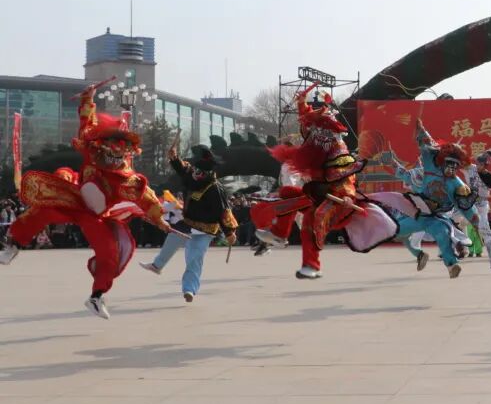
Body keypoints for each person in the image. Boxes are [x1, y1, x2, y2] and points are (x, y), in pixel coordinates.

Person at [0, 80, 171, 319]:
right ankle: (14, 245)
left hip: (97, 216)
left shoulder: (129, 179)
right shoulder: (92, 152)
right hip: (75, 199)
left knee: (109, 253)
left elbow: (147, 198)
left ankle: (96, 296)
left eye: (120, 151)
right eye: (110, 148)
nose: (114, 155)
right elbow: (87, 123)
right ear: (102, 146)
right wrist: (88, 98)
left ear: (126, 152)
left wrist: (160, 220)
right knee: (45, 209)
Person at [251, 83, 398, 279]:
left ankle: (312, 266)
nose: (310, 133)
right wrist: (302, 102)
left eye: (314, 130)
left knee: (312, 217)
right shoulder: (318, 144)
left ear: (325, 134)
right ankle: (279, 234)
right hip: (318, 195)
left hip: (339, 201)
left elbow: (346, 178)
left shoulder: (338, 150)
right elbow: (307, 121)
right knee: (287, 193)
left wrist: (347, 196)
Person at [140, 137, 237, 301]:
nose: (196, 174)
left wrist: (229, 232)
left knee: (194, 258)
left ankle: (189, 289)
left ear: (208, 173)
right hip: (188, 222)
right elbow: (182, 168)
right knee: (172, 237)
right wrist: (174, 158)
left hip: (206, 229)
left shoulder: (215, 189)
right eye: (196, 171)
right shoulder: (192, 175)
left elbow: (223, 211)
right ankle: (157, 265)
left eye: (200, 173)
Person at [393, 119, 479, 279]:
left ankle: (451, 265)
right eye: (449, 163)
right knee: (396, 231)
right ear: (442, 161)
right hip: (418, 214)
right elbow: (425, 147)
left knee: (442, 235)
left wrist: (476, 221)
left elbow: (466, 207)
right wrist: (421, 131)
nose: (451, 168)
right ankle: (419, 254)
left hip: (437, 218)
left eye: (455, 165)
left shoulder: (457, 185)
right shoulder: (429, 167)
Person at [463, 149, 491, 269]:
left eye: (480, 165)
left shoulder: (490, 177)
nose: (477, 166)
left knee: (485, 229)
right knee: (455, 220)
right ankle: (463, 248)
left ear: (485, 165)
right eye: (477, 163)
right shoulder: (470, 168)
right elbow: (459, 161)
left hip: (482, 205)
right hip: (468, 203)